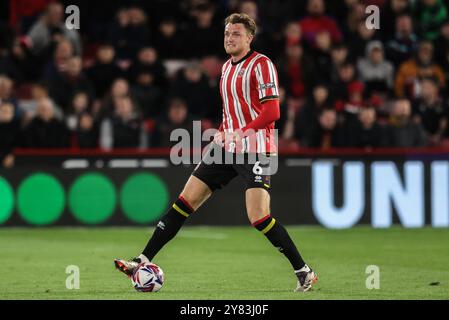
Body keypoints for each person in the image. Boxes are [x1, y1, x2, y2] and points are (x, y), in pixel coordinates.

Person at [114, 13, 318, 292]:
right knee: (184, 203)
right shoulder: (225, 68)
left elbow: (273, 112)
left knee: (258, 217)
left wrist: (242, 131)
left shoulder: (262, 65)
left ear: (249, 38)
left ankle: (304, 271)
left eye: (235, 34)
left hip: (258, 149)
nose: (229, 38)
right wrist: (224, 132)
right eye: (226, 34)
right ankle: (141, 260)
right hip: (225, 148)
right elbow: (230, 112)